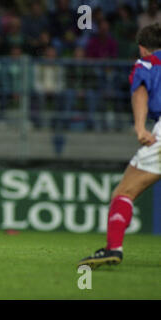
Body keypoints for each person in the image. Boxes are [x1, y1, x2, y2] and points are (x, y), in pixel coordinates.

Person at [78, 23, 161, 269]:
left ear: (142, 48)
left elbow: (140, 91)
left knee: (123, 193)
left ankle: (113, 248)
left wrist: (139, 128)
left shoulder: (147, 63)